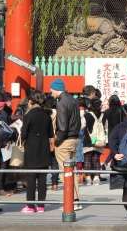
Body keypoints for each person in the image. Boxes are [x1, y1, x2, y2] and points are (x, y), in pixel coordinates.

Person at [20, 91, 54, 214]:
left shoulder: (28, 116)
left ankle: (30, 206)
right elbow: (51, 134)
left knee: (31, 179)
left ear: (31, 102)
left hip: (31, 150)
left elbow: (23, 134)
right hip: (44, 149)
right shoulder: (47, 115)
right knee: (42, 180)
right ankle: (41, 206)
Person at [50, 78, 82, 210]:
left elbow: (62, 127)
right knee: (71, 171)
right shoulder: (73, 100)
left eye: (51, 89)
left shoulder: (61, 103)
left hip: (64, 140)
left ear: (57, 89)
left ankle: (71, 202)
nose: (50, 92)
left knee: (65, 173)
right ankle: (76, 200)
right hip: (74, 139)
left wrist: (56, 141)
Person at [84, 98, 105, 185]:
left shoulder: (88, 115)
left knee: (87, 159)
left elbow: (84, 128)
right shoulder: (102, 115)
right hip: (99, 140)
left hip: (89, 140)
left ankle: (88, 178)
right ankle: (96, 177)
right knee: (96, 159)